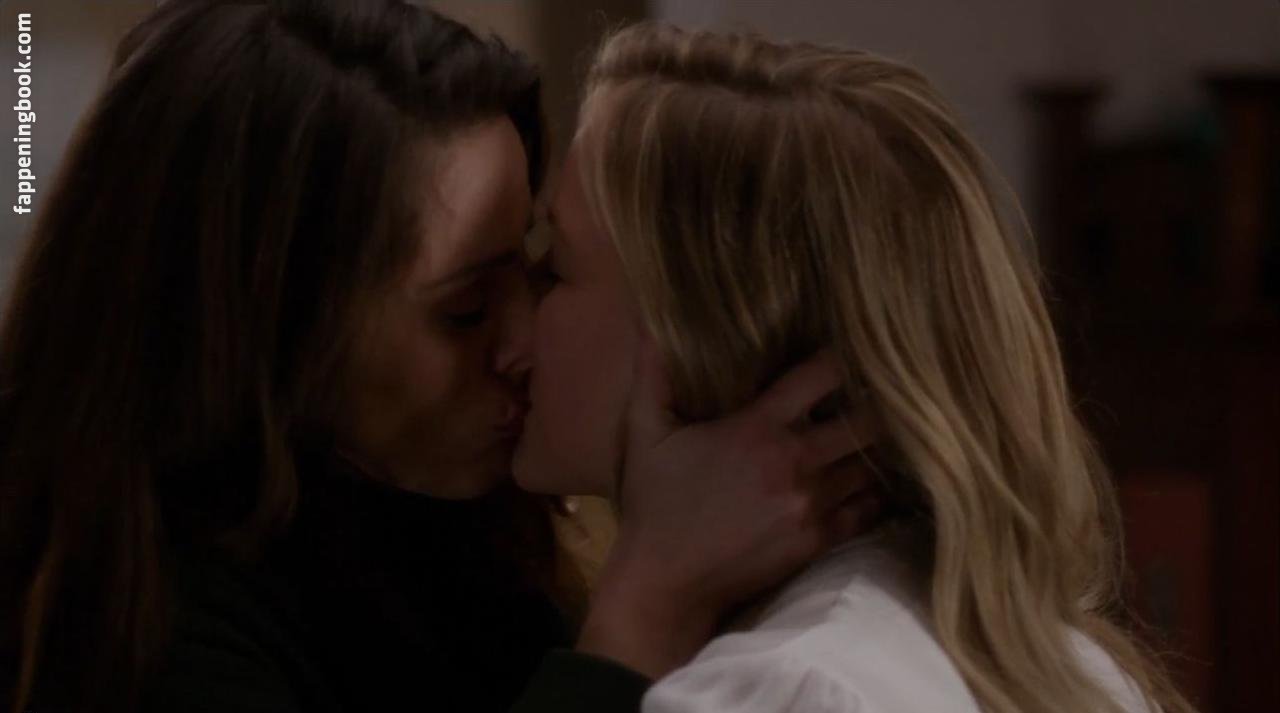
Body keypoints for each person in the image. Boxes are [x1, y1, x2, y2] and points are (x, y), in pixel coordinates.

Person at [0, 4, 884, 713]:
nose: (525, 342)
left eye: (537, 265)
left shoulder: (447, 522)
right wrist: (646, 607)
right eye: (463, 311)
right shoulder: (141, 634)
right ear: (264, 333)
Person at [512, 22, 1197, 713]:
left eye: (556, 267)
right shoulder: (1072, 658)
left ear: (700, 333)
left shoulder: (785, 689)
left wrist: (640, 602)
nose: (515, 312)